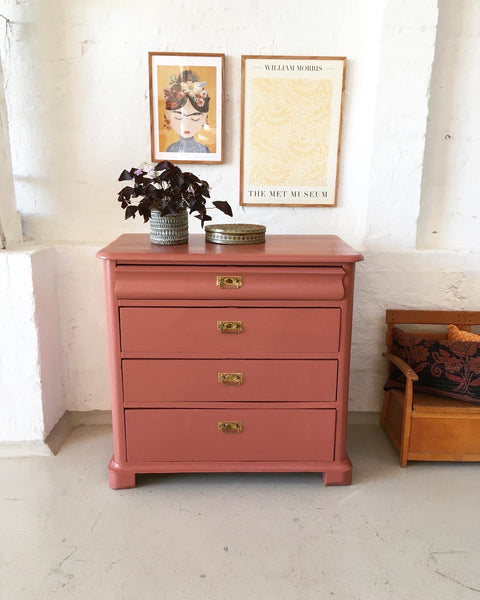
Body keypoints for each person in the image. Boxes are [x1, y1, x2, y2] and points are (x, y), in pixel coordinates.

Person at [163, 70, 210, 153]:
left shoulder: (204, 150)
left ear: (204, 118)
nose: (186, 124)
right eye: (178, 117)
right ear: (168, 115)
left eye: (194, 118)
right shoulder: (170, 150)